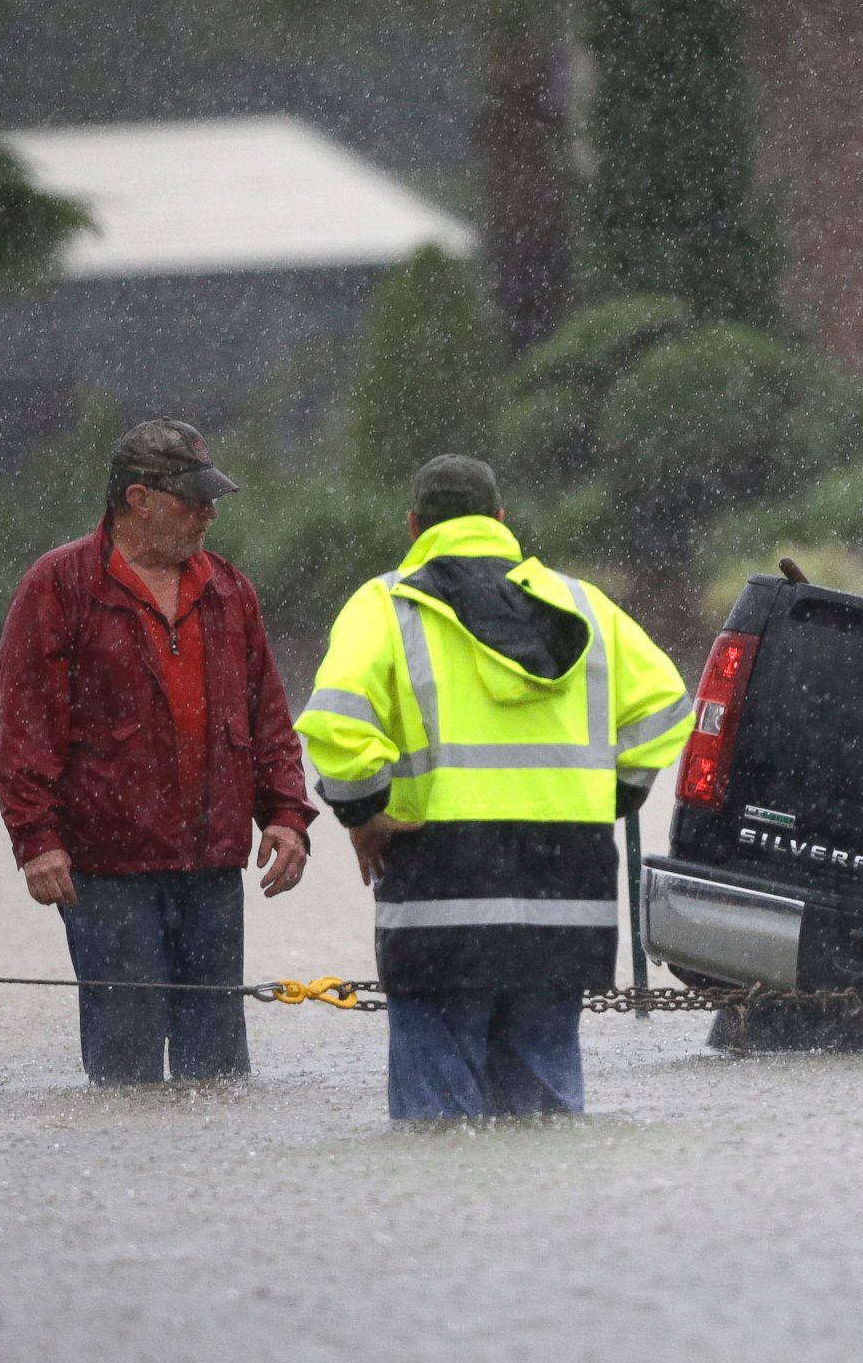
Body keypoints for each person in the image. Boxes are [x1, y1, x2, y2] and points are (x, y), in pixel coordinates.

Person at [295, 455, 691, 1120]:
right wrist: (614, 794)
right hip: (564, 897)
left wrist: (364, 813)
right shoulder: (585, 605)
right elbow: (666, 706)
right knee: (544, 1125)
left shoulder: (385, 606)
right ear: (501, 520)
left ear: (415, 524)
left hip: (439, 896)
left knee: (439, 1136)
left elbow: (335, 721)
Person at [0, 419, 315, 1084]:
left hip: (213, 868)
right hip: (106, 873)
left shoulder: (230, 589)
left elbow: (269, 720)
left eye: (211, 500)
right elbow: (25, 726)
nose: (208, 513)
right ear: (138, 500)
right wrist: (36, 839)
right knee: (125, 1072)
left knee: (219, 1076)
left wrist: (286, 816)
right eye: (191, 500)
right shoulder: (57, 587)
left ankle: (209, 1189)